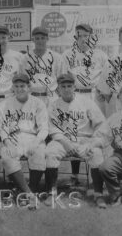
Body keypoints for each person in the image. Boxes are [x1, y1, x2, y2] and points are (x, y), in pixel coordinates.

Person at [44, 73, 107, 208]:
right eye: (63, 86)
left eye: (69, 86)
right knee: (50, 152)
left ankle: (98, 194)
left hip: (84, 140)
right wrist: (65, 142)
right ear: (58, 89)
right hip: (62, 141)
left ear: (74, 87)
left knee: (96, 154)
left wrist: (93, 142)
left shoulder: (86, 102)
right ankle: (52, 193)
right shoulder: (53, 105)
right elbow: (51, 127)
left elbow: (101, 123)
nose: (66, 89)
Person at [62, 23, 108, 186]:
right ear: (75, 37)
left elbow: (107, 76)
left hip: (94, 94)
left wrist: (103, 91)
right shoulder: (68, 54)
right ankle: (75, 174)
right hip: (77, 94)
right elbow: (65, 76)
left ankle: (97, 171)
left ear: (91, 36)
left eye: (86, 35)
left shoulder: (100, 55)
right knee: (76, 130)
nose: (83, 39)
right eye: (79, 35)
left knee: (97, 131)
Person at [0, 73, 48, 209]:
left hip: (32, 137)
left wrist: (36, 142)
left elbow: (44, 128)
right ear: (12, 87)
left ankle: (28, 190)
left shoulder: (38, 103)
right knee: (7, 156)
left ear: (29, 87)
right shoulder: (5, 103)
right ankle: (29, 194)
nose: (19, 89)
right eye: (17, 86)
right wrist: (7, 143)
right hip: (13, 137)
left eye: (23, 86)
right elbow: (2, 128)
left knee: (39, 153)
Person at [21, 26, 66, 105]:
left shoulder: (56, 57)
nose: (40, 41)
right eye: (37, 38)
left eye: (42, 38)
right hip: (32, 96)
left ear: (47, 39)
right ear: (33, 40)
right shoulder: (25, 58)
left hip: (51, 97)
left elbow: (62, 79)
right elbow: (22, 79)